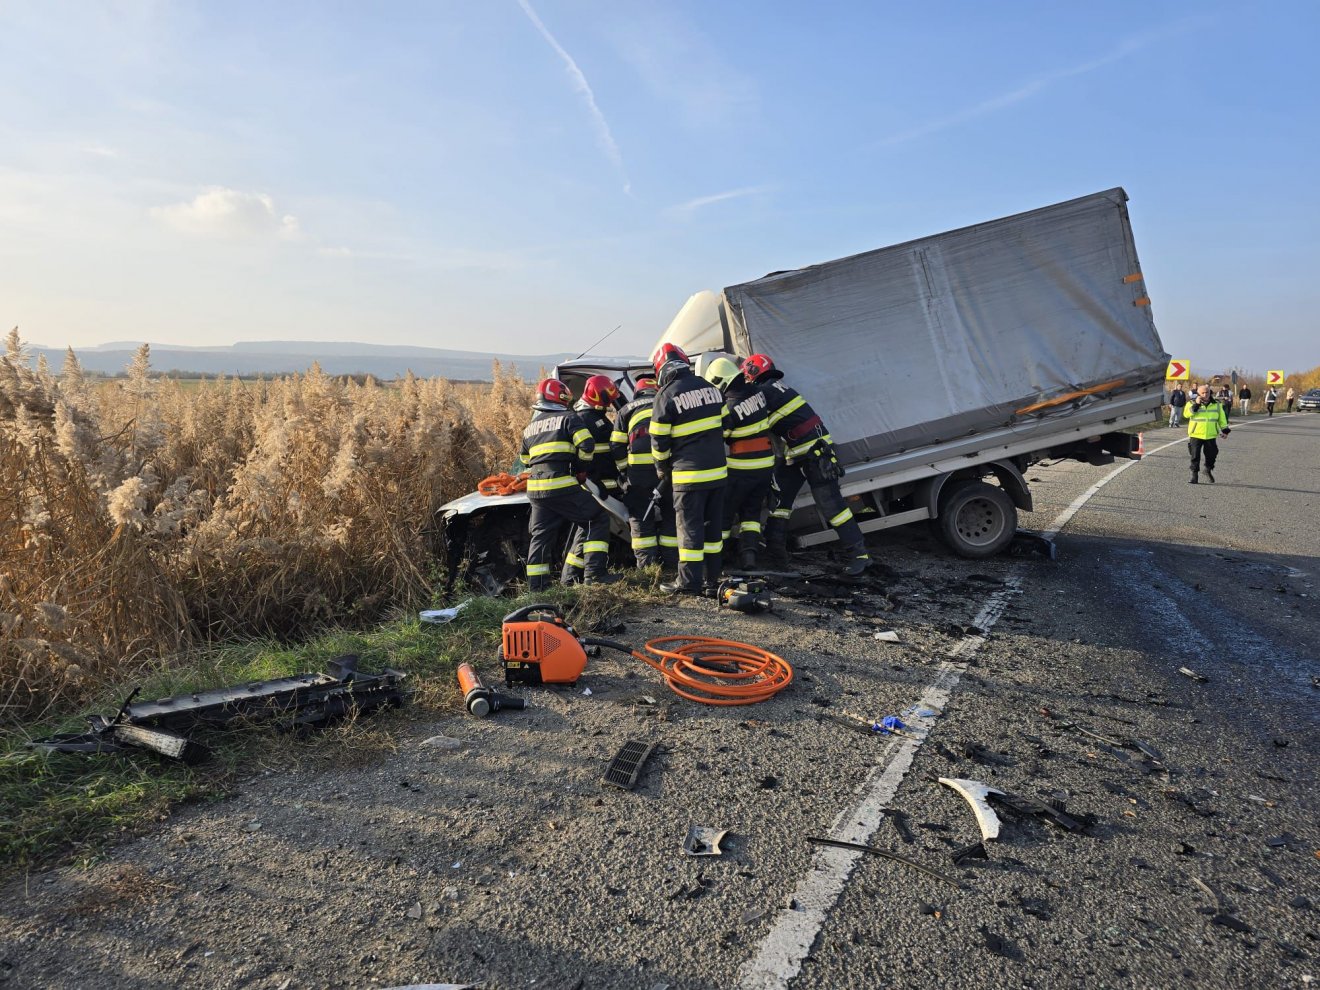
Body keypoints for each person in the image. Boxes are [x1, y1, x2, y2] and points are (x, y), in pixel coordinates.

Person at [743, 353, 870, 576]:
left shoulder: (764, 392)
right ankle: (775, 554)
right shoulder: (775, 387)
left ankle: (860, 556)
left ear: (752, 372)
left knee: (831, 505)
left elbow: (746, 418)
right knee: (780, 503)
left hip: (813, 452)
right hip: (798, 454)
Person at [519, 378, 614, 590]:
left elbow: (525, 460)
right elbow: (587, 444)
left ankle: (537, 588)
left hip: (535, 488)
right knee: (596, 519)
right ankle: (595, 574)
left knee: (540, 536)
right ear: (561, 398)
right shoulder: (569, 418)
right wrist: (580, 469)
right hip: (560, 483)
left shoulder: (530, 427)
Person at [650, 343, 728, 595]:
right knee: (713, 530)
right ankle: (712, 579)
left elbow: (658, 441)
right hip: (718, 473)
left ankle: (688, 583)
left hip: (688, 477)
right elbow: (727, 425)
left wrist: (662, 468)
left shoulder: (666, 395)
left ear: (661, 370)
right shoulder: (711, 388)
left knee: (690, 530)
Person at [703, 356, 774, 572]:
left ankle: (718, 559)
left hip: (741, 468)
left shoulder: (730, 407)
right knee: (751, 514)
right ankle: (749, 556)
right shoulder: (757, 393)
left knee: (724, 514)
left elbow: (722, 436)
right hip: (765, 465)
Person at [561, 375, 621, 584]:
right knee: (596, 524)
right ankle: (594, 575)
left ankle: (569, 577)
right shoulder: (589, 420)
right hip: (595, 485)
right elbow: (587, 456)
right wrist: (596, 483)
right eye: (608, 399)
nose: (610, 404)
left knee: (585, 530)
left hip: (596, 483)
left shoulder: (590, 417)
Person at [610, 372, 671, 569]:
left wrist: (624, 471)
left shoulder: (625, 410)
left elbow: (616, 445)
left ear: (637, 392)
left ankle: (647, 567)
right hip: (666, 471)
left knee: (641, 517)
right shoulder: (666, 403)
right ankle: (672, 564)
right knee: (671, 514)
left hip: (638, 474)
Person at [1183, 383, 1230, 484]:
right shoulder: (1191, 403)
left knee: (1212, 455)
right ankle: (1194, 475)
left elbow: (1222, 419)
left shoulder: (1217, 404)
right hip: (1196, 434)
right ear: (1198, 394)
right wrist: (1196, 405)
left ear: (1210, 393)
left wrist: (1225, 431)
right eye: (1203, 393)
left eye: (1207, 392)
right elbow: (1186, 414)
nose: (1205, 394)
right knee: (1195, 456)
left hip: (1210, 434)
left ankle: (1207, 469)